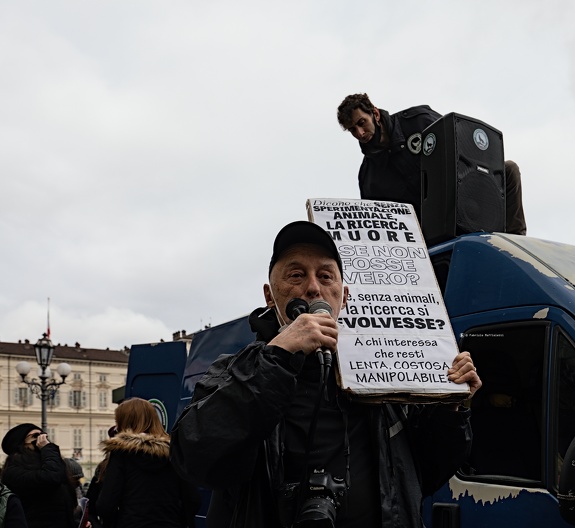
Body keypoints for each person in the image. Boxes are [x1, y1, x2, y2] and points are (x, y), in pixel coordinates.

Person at [170, 220, 482, 528]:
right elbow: (195, 459)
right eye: (296, 275)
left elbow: (425, 473)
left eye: (325, 276)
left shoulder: (385, 375)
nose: (313, 287)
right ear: (269, 296)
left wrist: (451, 408)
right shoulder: (236, 370)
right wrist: (277, 355)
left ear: (343, 297)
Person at [336, 93, 527, 235]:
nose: (360, 133)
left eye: (362, 122)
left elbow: (462, 151)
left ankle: (517, 248)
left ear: (375, 114)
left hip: (460, 199)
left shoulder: (418, 122)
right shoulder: (369, 177)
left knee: (509, 170)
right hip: (425, 238)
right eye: (352, 130)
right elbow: (378, 227)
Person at [95, 398, 200, 528]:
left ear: (124, 423)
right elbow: (192, 500)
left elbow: (106, 505)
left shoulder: (122, 455)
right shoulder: (173, 453)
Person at [1, 423, 77, 528]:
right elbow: (51, 478)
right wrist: (49, 449)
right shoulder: (13, 471)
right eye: (36, 436)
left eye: (44, 436)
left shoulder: (50, 462)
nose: (42, 440)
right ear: (20, 443)